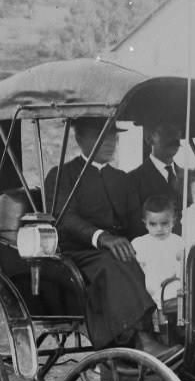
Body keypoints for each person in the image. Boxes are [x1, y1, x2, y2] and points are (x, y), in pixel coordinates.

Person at [44, 115, 181, 361]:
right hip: (79, 253)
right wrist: (102, 237)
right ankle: (141, 340)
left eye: (113, 138)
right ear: (79, 139)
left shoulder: (121, 179)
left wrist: (158, 245)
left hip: (118, 249)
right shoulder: (62, 175)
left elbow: (134, 223)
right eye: (101, 137)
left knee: (154, 258)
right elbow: (65, 218)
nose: (110, 143)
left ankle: (167, 333)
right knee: (114, 262)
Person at [128, 121, 185, 233]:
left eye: (177, 132)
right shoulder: (132, 180)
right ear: (149, 138)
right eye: (167, 132)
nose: (174, 138)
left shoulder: (189, 177)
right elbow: (134, 225)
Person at [131, 194, 184, 308]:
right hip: (147, 293)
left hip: (171, 289)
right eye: (153, 224)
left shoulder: (179, 242)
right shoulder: (139, 243)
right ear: (145, 223)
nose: (159, 229)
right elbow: (135, 272)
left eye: (164, 223)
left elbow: (182, 270)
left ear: (173, 221)